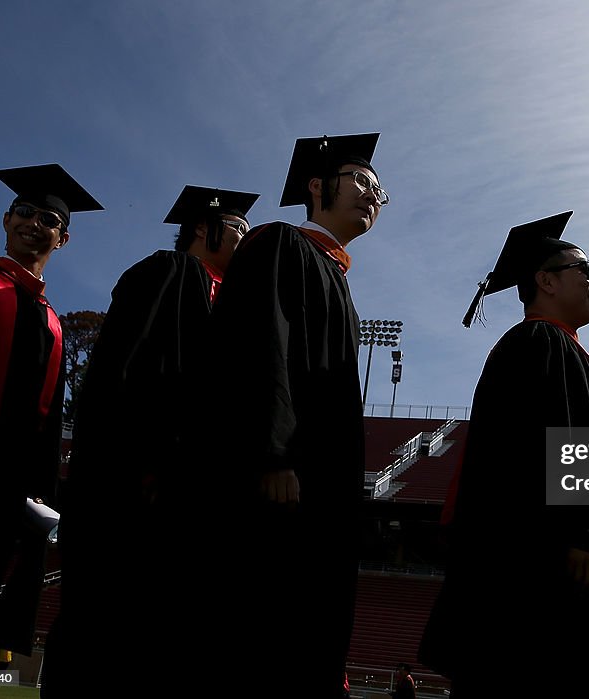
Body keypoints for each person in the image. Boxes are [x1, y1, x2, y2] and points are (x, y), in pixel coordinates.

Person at [51, 185, 258, 692]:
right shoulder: (169, 272)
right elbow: (128, 372)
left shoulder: (231, 302)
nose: (245, 241)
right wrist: (146, 462)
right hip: (141, 483)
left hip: (189, 492)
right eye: (238, 230)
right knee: (108, 624)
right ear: (204, 229)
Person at [203, 133, 388, 696]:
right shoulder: (280, 243)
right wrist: (272, 450)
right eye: (360, 179)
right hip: (278, 482)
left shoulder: (336, 276)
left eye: (379, 191)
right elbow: (261, 343)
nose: (372, 196)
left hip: (316, 489)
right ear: (316, 185)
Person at [420, 213, 589, 698]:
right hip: (544, 564)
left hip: (550, 552)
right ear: (546, 279)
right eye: (585, 271)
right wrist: (582, 531)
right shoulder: (540, 342)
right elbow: (556, 442)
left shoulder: (552, 347)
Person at [0, 164, 101, 696]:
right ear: (6, 220)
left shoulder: (50, 321)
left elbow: (46, 424)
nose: (35, 223)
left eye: (48, 219)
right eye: (25, 212)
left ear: (63, 237)